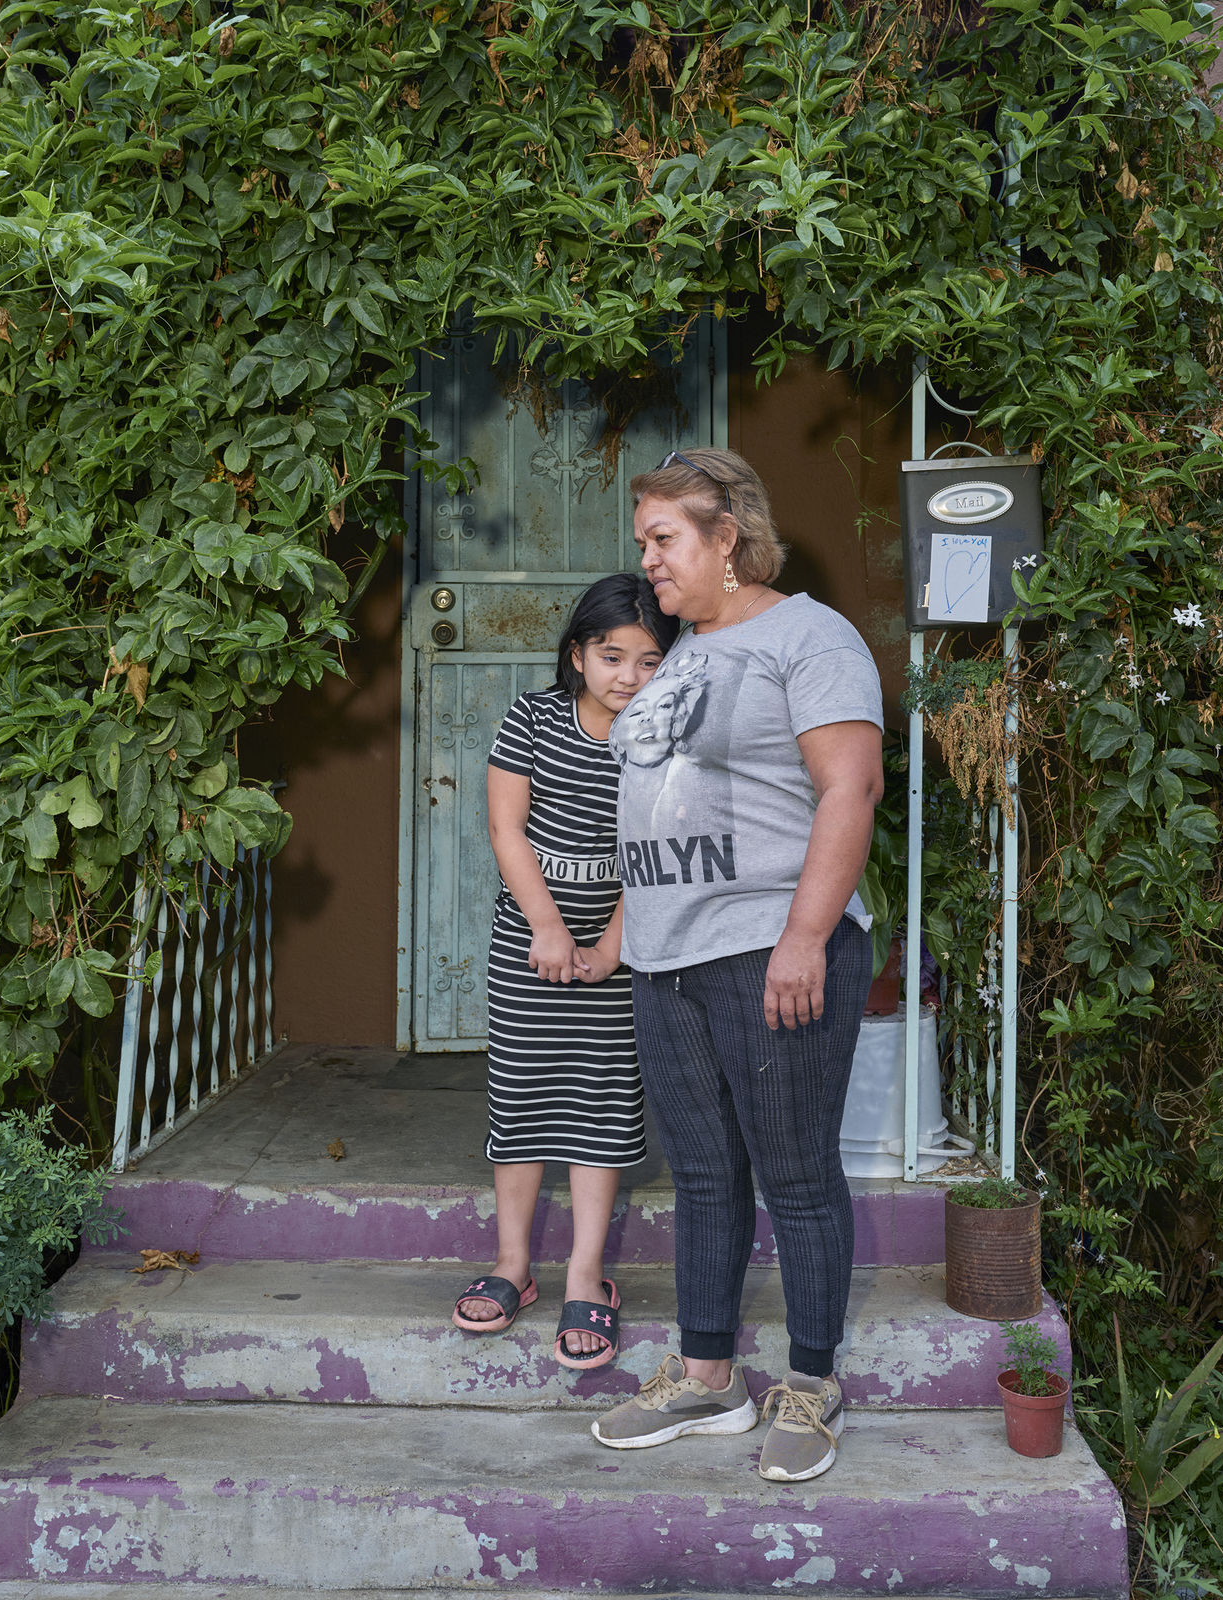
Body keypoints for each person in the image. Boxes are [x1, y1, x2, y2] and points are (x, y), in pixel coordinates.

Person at [593, 447, 884, 1480]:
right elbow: (654, 805)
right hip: (668, 958)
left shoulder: (807, 636)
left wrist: (805, 935)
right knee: (703, 1174)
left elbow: (847, 787)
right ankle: (707, 1377)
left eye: (663, 540)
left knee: (795, 1173)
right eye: (644, 542)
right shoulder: (679, 657)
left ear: (727, 537)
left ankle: (808, 1386)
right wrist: (627, 935)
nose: (649, 561)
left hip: (768, 943)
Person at [453, 573, 680, 1370]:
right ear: (577, 654)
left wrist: (615, 940)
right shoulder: (535, 719)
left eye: (648, 661)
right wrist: (547, 927)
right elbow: (506, 827)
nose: (627, 676)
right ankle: (514, 1264)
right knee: (522, 1093)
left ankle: (587, 1274)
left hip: (620, 949)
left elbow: (660, 845)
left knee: (599, 1101)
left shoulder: (664, 737)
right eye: (611, 655)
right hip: (530, 942)